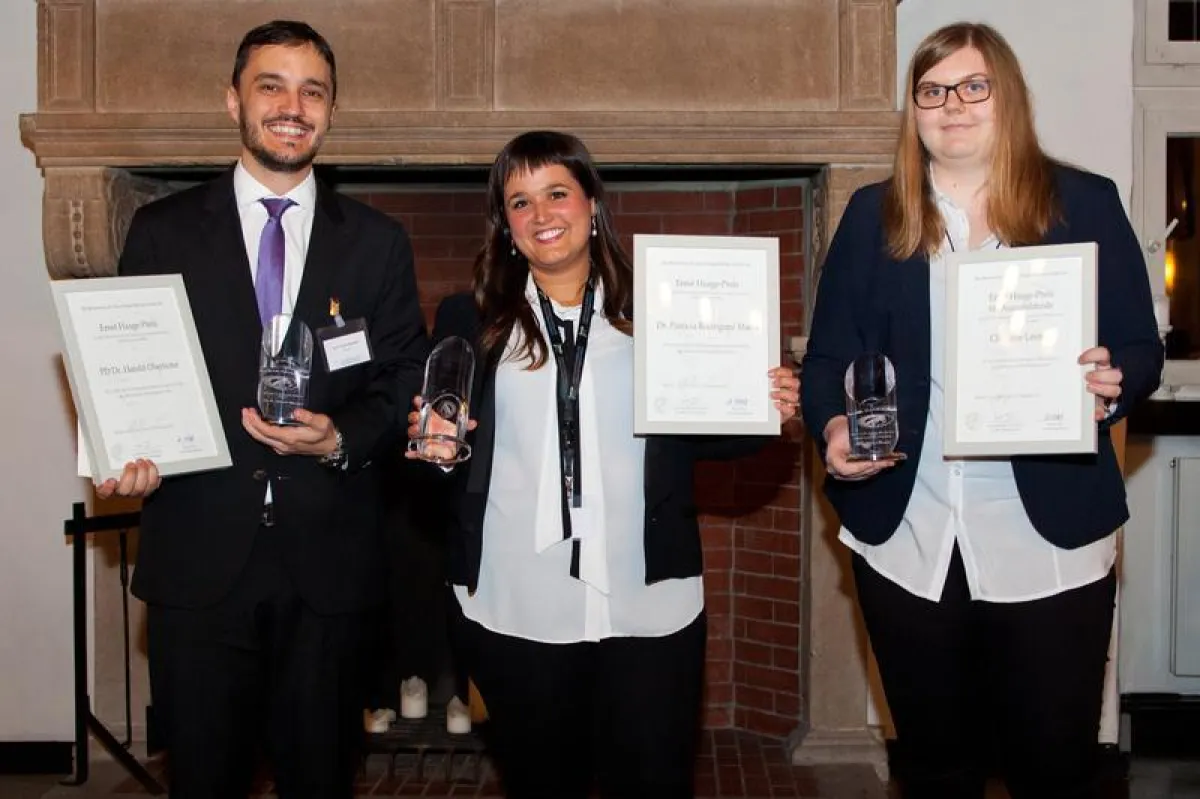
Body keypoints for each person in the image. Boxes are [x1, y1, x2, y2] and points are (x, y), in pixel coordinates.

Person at [800, 22, 1163, 799]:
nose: (952, 105)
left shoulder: (1084, 202)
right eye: (932, 91)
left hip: (1050, 540)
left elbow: (1141, 345)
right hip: (909, 536)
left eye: (973, 86)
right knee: (935, 769)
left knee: (1052, 767)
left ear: (1007, 97)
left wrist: (1114, 376)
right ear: (915, 110)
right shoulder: (872, 216)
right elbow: (827, 361)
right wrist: (833, 427)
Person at [404, 130, 799, 799]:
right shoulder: (467, 318)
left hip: (649, 605)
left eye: (557, 192)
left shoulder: (661, 310)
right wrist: (430, 447)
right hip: (515, 603)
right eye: (520, 202)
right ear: (505, 226)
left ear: (591, 203)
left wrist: (767, 409)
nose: (542, 214)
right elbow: (441, 462)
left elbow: (707, 439)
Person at [98, 20, 429, 798]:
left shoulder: (377, 242)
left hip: (330, 571)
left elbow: (403, 377)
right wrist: (130, 448)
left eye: (312, 90)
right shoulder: (162, 231)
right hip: (199, 565)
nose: (292, 105)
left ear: (332, 111)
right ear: (233, 101)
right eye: (271, 85)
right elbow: (129, 365)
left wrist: (340, 435)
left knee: (322, 782)